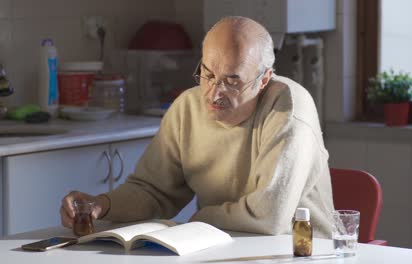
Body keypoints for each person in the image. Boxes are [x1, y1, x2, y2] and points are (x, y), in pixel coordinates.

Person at [60, 16, 334, 237]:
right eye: (208, 74)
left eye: (232, 81)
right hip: (220, 246)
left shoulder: (289, 109)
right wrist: (101, 205)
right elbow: (153, 191)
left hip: (298, 252)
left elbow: (269, 217)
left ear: (263, 81)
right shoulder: (188, 107)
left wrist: (199, 219)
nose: (214, 93)